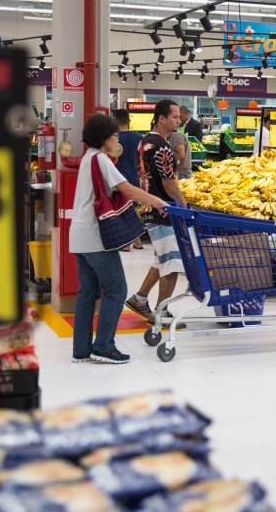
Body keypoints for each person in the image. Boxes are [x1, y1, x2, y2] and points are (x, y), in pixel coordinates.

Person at [69, 114, 168, 364]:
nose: (117, 139)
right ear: (105, 138)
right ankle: (104, 347)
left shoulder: (88, 158)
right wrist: (156, 201)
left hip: (80, 235)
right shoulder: (101, 159)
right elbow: (126, 188)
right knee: (117, 289)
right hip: (96, 236)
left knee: (88, 292)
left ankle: (81, 350)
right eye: (114, 135)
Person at [125, 100, 188, 324]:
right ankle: (162, 313)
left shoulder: (145, 141)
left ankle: (140, 298)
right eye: (175, 117)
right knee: (171, 265)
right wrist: (184, 206)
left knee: (161, 259)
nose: (179, 121)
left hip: (150, 207)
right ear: (162, 118)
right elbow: (169, 183)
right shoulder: (161, 146)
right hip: (164, 211)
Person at [113, 109, 144, 250]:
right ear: (129, 121)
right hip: (134, 177)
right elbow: (141, 160)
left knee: (121, 209)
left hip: (118, 178)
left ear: (114, 121)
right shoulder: (139, 138)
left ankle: (125, 244)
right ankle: (138, 241)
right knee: (134, 209)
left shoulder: (113, 138)